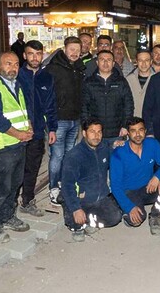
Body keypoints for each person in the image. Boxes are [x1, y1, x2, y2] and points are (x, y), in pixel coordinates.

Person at [111, 117, 160, 235]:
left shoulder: (152, 144)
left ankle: (155, 215)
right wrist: (129, 207)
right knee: (136, 220)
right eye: (133, 131)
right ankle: (125, 211)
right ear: (128, 133)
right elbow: (115, 186)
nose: (137, 134)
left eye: (140, 130)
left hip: (148, 187)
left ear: (145, 131)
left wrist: (159, 177)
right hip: (129, 191)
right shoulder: (119, 153)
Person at [61, 119, 122, 241]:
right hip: (80, 200)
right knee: (75, 221)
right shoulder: (74, 156)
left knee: (115, 218)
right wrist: (75, 208)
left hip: (100, 198)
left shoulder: (104, 147)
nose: (96, 136)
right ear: (84, 133)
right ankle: (75, 220)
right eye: (92, 132)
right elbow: (67, 185)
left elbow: (115, 150)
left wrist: (117, 145)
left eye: (99, 132)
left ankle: (88, 221)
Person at [16, 40, 58, 218]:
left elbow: (51, 105)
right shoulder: (16, 75)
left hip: (38, 132)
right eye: (31, 54)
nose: (35, 57)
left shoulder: (47, 78)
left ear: (43, 55)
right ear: (24, 55)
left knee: (32, 168)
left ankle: (27, 201)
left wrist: (52, 129)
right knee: (15, 169)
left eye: (38, 54)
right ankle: (10, 205)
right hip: (16, 132)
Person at [45, 36, 86, 205]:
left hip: (74, 120)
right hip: (59, 120)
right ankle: (53, 187)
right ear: (64, 49)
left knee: (69, 155)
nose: (75, 53)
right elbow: (46, 96)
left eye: (78, 50)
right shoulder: (53, 68)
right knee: (57, 155)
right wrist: (51, 124)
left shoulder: (79, 68)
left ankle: (64, 183)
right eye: (72, 49)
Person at [81, 49, 133, 150]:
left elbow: (128, 105)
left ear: (113, 63)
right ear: (97, 62)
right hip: (96, 133)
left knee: (116, 162)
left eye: (109, 60)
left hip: (117, 132)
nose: (105, 63)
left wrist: (125, 126)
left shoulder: (121, 82)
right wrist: (86, 127)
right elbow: (84, 107)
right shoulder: (89, 82)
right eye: (102, 60)